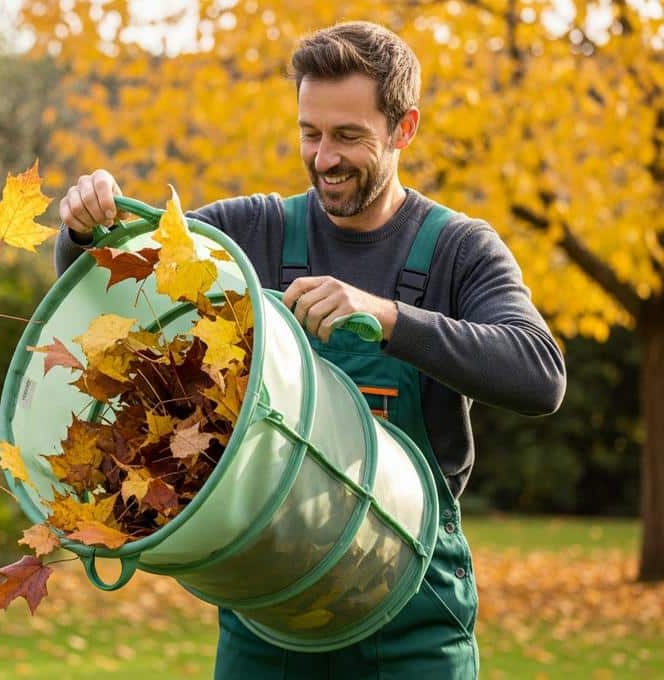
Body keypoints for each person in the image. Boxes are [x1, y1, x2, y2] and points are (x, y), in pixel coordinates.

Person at [53, 20, 566, 679]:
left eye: (348, 136)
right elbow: (108, 295)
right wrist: (80, 231)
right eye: (311, 133)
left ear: (403, 129)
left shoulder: (459, 251)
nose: (324, 158)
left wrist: (389, 318)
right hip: (264, 613)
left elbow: (539, 375)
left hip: (411, 620)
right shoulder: (248, 233)